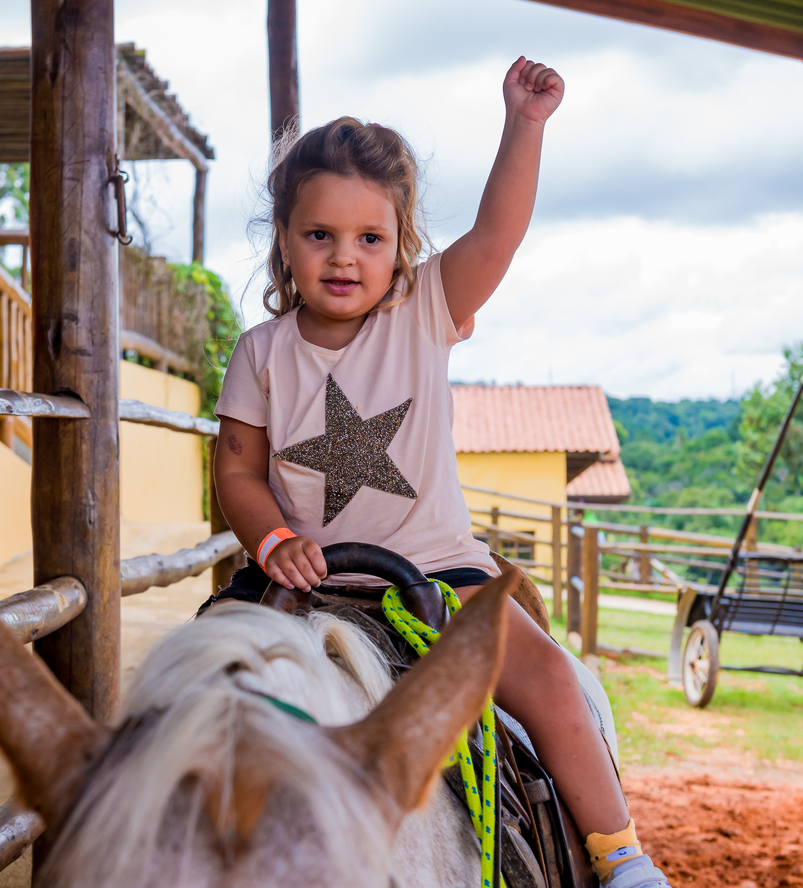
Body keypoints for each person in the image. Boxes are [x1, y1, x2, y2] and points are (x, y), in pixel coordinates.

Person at [211, 57, 670, 888]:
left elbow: (499, 233)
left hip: (438, 575)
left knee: (553, 686)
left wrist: (523, 125)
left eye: (370, 239)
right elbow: (238, 471)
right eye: (320, 236)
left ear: (400, 248)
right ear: (284, 240)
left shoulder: (425, 310)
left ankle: (621, 858)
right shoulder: (262, 352)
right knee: (191, 685)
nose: (344, 258)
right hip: (306, 582)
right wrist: (271, 537)